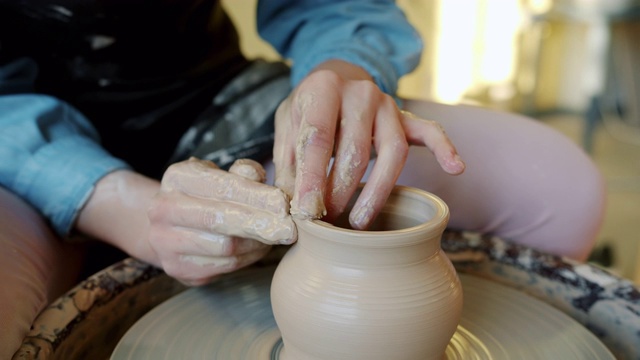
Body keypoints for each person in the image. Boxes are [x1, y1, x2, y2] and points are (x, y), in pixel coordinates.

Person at [0, 0, 605, 357]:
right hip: (19, 136)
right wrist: (117, 205)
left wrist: (343, 70)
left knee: (561, 192)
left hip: (206, 95)